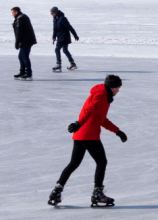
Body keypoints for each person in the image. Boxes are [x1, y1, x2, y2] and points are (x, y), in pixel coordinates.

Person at [48, 75, 127, 207]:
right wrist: (78, 123)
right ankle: (98, 193)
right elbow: (89, 110)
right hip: (89, 134)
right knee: (101, 162)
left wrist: (117, 131)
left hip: (80, 134)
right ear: (113, 88)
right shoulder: (101, 96)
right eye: (119, 88)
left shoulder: (102, 94)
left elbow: (101, 118)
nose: (119, 90)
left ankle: (56, 191)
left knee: (74, 163)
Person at [50, 7, 79, 72]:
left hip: (64, 37)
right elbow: (55, 29)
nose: (51, 14)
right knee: (65, 50)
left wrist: (75, 35)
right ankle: (72, 63)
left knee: (57, 49)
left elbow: (70, 27)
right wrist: (54, 37)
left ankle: (59, 65)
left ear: (55, 12)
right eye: (51, 13)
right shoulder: (55, 19)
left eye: (52, 13)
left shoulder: (62, 18)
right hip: (60, 37)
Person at [11, 7, 37, 80]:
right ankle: (22, 72)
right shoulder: (22, 17)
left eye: (12, 13)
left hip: (26, 40)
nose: (12, 14)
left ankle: (28, 74)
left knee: (24, 56)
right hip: (26, 40)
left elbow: (19, 32)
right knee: (20, 56)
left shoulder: (20, 18)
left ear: (16, 12)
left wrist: (17, 42)